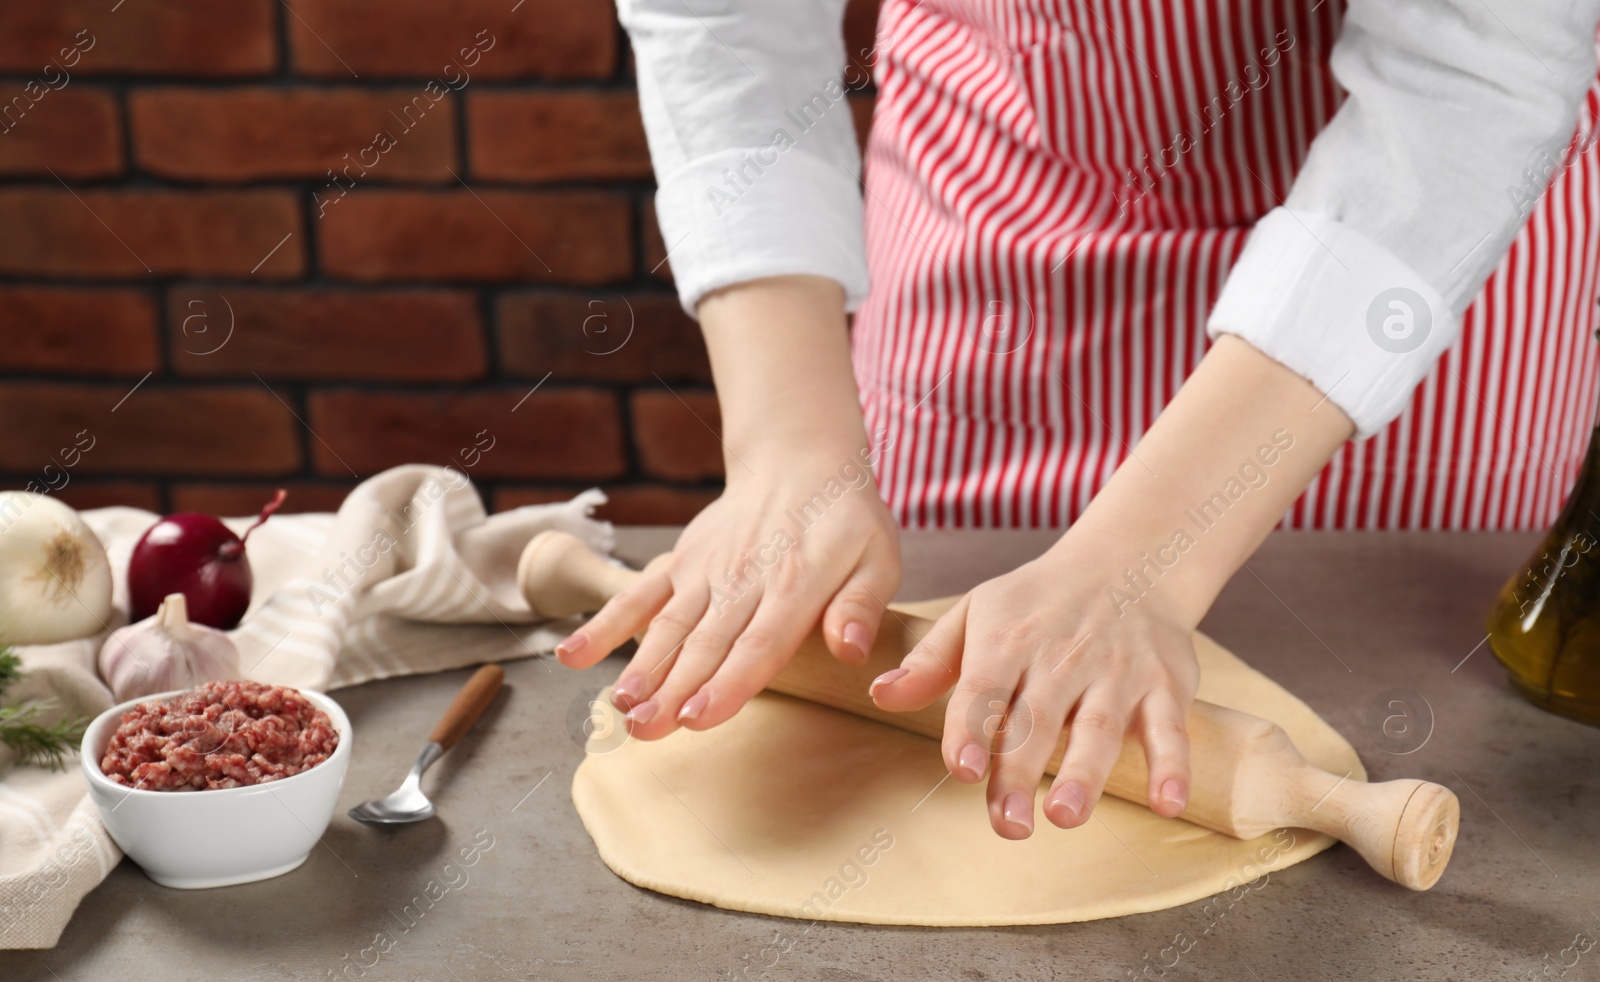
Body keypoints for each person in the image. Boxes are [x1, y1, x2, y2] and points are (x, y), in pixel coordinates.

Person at [557, 0, 1600, 840]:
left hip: (1404, 267)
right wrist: (790, 450)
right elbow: (724, 21)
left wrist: (1145, 552)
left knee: (1403, 685)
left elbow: (1471, 71)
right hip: (1000, 220)